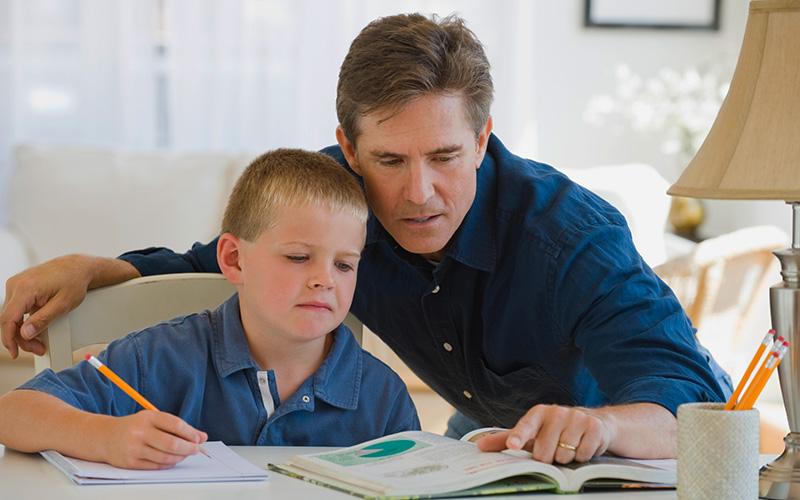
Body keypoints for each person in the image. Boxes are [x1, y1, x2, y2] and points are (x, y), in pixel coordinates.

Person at [1, 13, 731, 465]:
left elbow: (692, 413)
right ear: (348, 149)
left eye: (445, 158)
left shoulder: (572, 240)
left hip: (620, 452)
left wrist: (600, 427)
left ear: (482, 138)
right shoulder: (338, 207)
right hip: (484, 442)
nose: (418, 193)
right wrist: (100, 266)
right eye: (389, 161)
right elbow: (230, 260)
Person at [0, 149, 420, 469]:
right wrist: (107, 436)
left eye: (344, 264)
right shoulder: (162, 357)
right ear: (234, 259)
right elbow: (12, 413)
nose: (325, 280)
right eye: (297, 257)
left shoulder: (383, 396)